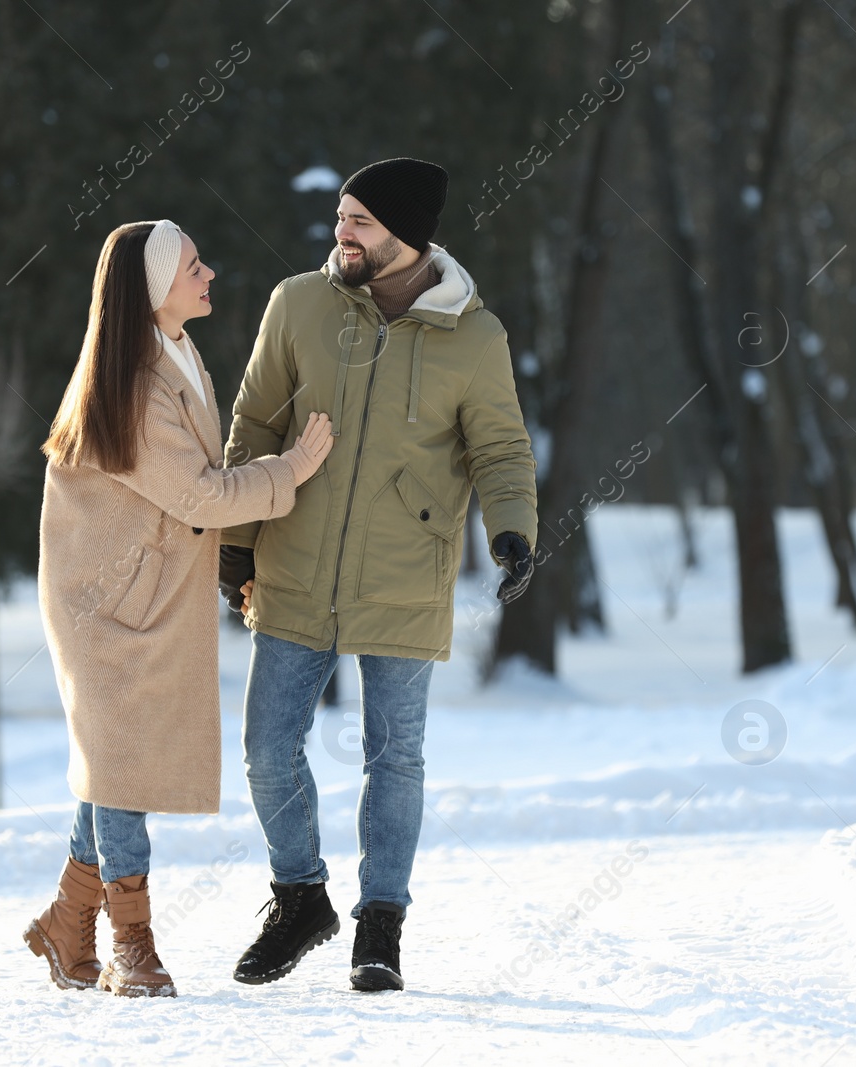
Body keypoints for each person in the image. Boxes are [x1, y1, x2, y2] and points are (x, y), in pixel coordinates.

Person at [217, 158, 538, 992]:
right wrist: (237, 540)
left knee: (394, 758)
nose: (341, 233)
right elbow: (255, 422)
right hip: (295, 560)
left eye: (359, 220)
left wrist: (511, 532)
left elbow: (500, 449)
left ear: (407, 233)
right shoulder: (299, 303)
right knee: (264, 748)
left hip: (406, 570)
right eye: (340, 216)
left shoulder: (475, 335)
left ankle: (381, 924)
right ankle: (300, 898)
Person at [26, 219, 334, 997]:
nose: (210, 273)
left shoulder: (174, 356)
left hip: (143, 594)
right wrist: (291, 466)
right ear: (156, 287)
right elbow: (199, 493)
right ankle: (132, 942)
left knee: (111, 761)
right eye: (194, 265)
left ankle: (69, 921)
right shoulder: (134, 382)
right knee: (122, 765)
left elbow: (190, 487)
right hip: (107, 605)